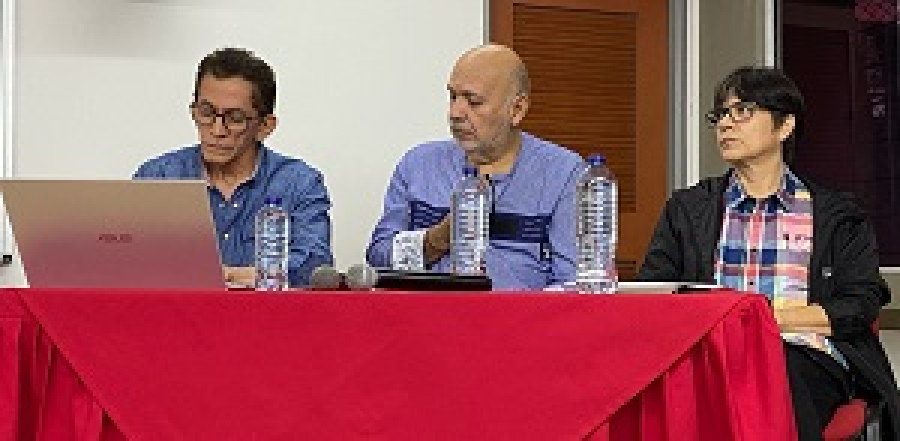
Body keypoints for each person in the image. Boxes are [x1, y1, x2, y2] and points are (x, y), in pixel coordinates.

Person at [638, 66, 899, 440]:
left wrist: (766, 321)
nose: (726, 124)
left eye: (742, 111)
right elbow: (654, 293)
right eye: (721, 114)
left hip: (802, 355)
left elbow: (860, 304)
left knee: (777, 376)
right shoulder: (688, 209)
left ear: (785, 125)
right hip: (710, 356)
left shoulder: (837, 214)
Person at [366, 44, 584, 290]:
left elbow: (574, 282)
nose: (455, 113)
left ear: (517, 109)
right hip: (427, 313)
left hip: (519, 313)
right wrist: (435, 240)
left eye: (473, 102)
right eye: (453, 97)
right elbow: (378, 258)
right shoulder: (418, 165)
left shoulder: (564, 174)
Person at [134, 48, 333, 287]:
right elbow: (130, 262)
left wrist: (227, 276)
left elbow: (316, 267)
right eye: (206, 113)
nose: (217, 130)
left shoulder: (299, 183)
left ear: (265, 126)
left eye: (235, 118)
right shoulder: (158, 178)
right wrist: (250, 275)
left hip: (263, 311)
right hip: (177, 310)